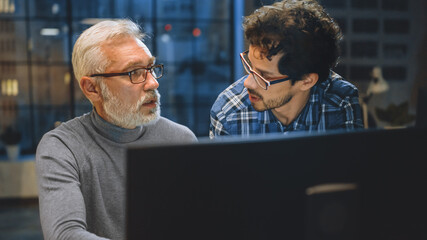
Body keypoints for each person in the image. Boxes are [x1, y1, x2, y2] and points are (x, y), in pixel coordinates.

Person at [36, 19, 197, 240]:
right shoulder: (63, 148)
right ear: (92, 88)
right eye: (134, 73)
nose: (153, 83)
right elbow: (65, 235)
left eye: (150, 68)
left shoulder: (180, 140)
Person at [210, 0, 363, 138]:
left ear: (306, 81)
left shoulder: (340, 103)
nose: (248, 83)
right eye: (250, 65)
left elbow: (348, 168)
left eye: (264, 76)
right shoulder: (227, 114)